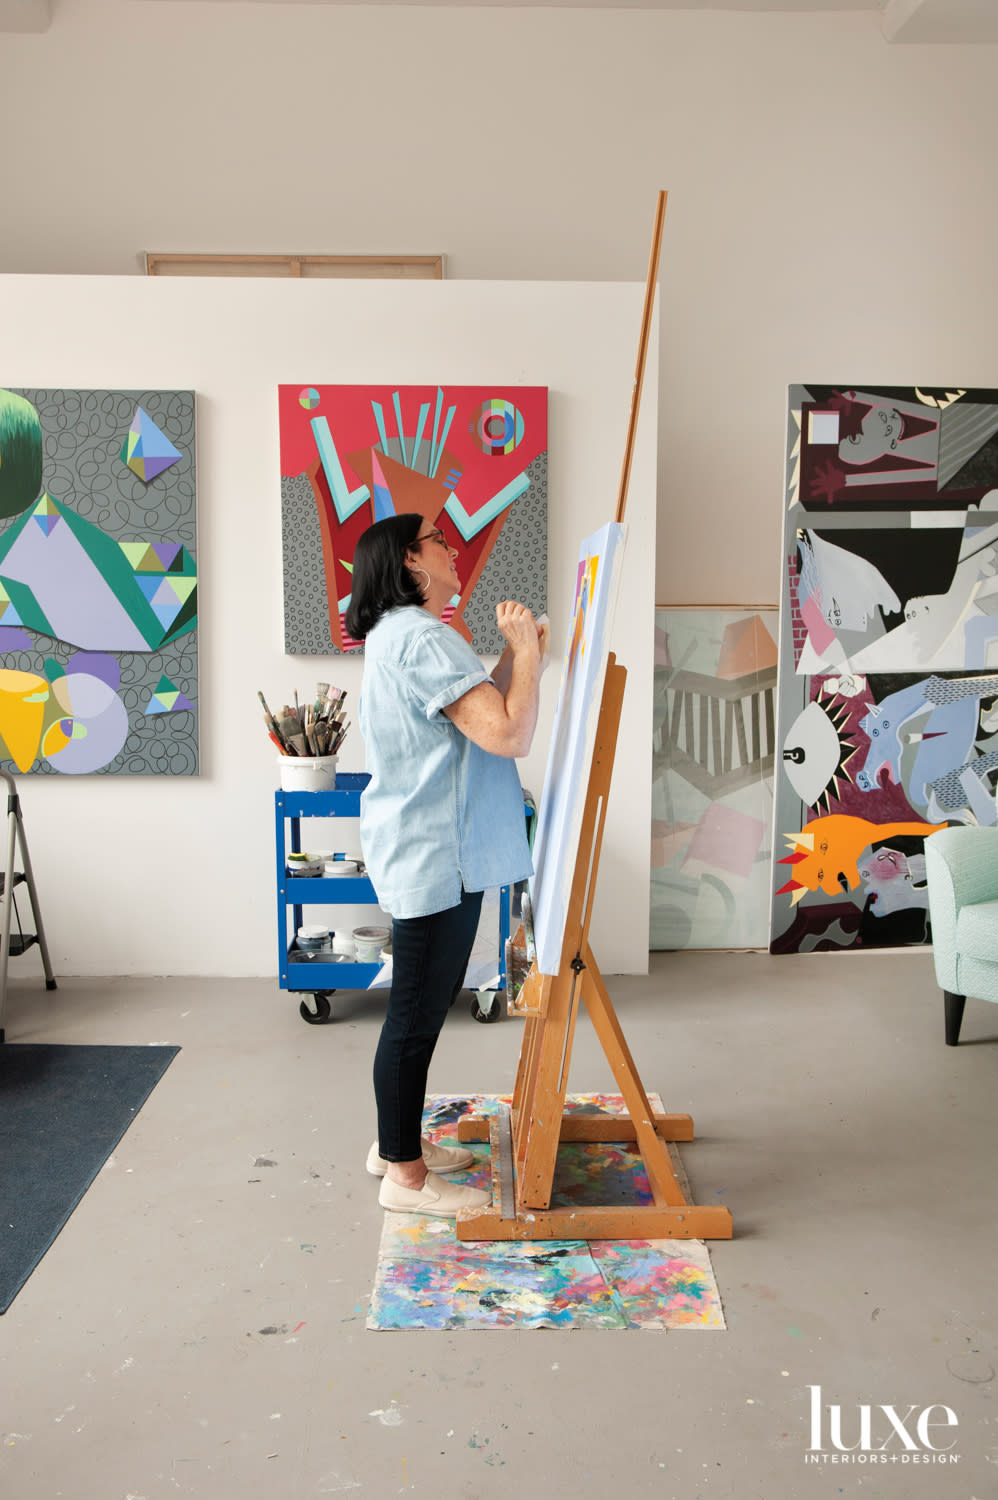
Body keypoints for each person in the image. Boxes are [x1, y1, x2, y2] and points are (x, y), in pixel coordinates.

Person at [344, 513, 545, 1217]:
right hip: (435, 852)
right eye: (438, 541)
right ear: (411, 561)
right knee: (415, 1014)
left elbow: (480, 709)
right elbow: (509, 732)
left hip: (427, 845)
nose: (452, 548)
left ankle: (393, 1146)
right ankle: (405, 1177)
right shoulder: (422, 637)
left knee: (420, 1007)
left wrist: (518, 656)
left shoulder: (402, 635)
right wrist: (528, 653)